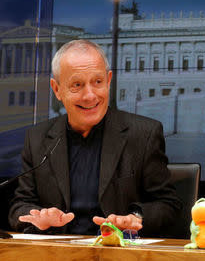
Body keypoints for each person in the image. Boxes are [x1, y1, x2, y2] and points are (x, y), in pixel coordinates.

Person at [9, 40, 181, 236]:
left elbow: (168, 205)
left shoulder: (143, 134)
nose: (90, 95)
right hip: (59, 253)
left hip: (119, 254)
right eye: (77, 85)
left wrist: (136, 217)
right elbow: (19, 206)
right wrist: (40, 216)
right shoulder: (37, 138)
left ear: (108, 80)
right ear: (57, 89)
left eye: (98, 82)